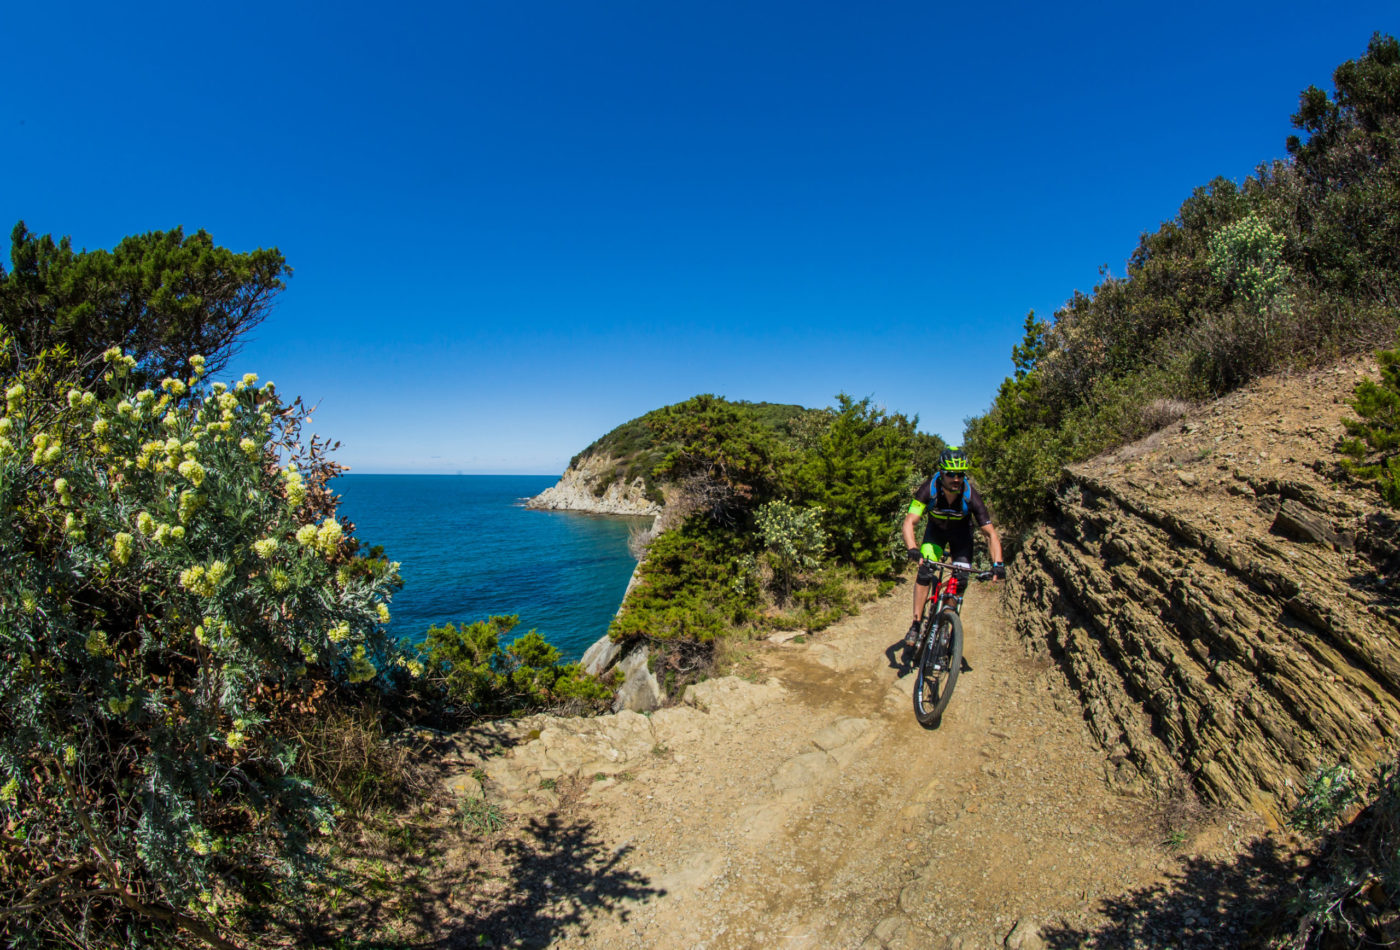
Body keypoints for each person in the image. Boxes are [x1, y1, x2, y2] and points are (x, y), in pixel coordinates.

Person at [901, 447, 1004, 646]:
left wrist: (998, 563)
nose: (956, 479)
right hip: (935, 535)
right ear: (941, 472)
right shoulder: (928, 489)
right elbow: (909, 522)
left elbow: (990, 534)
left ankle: (946, 623)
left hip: (962, 538)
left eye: (960, 474)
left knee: (961, 579)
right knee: (924, 571)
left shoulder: (970, 494)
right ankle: (915, 624)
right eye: (951, 474)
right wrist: (913, 548)